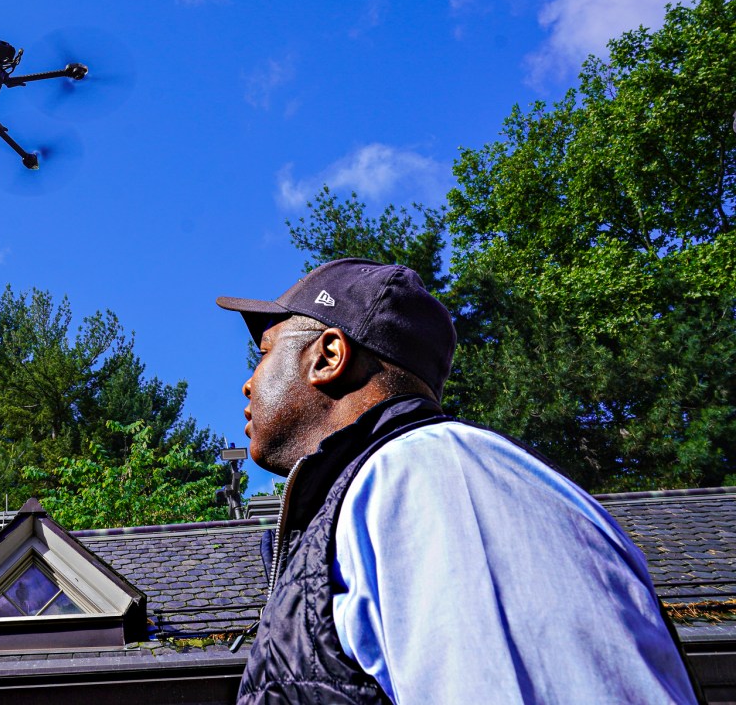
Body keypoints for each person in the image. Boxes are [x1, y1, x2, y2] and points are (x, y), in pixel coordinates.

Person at [217, 258, 700, 705]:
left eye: (261, 354)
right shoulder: (391, 490)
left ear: (328, 356)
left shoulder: (432, 477)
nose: (247, 382)